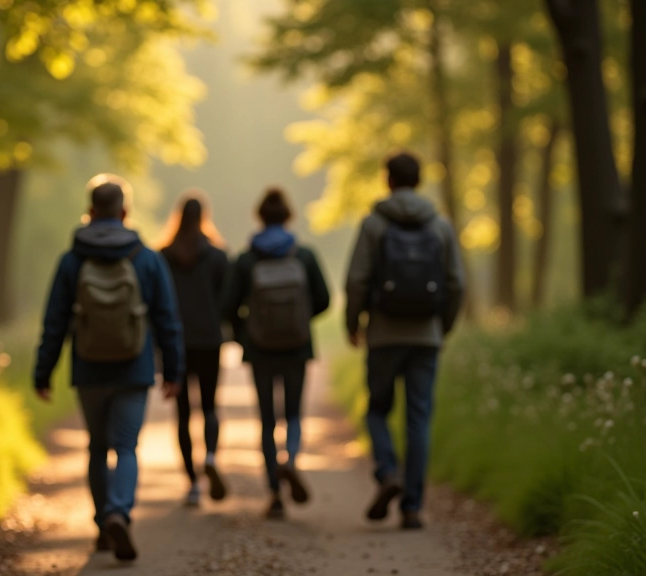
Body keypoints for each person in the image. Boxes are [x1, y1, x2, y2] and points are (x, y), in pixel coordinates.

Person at [33, 174, 184, 562]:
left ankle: (102, 525)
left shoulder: (72, 259)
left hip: (89, 368)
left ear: (90, 211)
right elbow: (167, 317)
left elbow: (55, 321)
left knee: (97, 447)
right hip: (134, 368)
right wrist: (173, 370)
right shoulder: (145, 257)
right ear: (125, 211)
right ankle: (120, 511)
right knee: (127, 446)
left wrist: (43, 371)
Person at [345, 153, 465, 530]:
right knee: (419, 418)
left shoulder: (373, 224)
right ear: (419, 180)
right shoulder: (439, 225)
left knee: (377, 409)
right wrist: (441, 327)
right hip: (425, 336)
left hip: (383, 333)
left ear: (388, 181)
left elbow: (357, 280)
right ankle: (412, 507)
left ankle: (386, 471)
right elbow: (456, 283)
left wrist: (354, 322)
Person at [224, 187, 330, 520]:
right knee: (294, 413)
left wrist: (247, 331)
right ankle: (292, 461)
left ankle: (274, 492)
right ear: (288, 216)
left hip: (260, 349)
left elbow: (227, 306)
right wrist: (299, 320)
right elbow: (324, 299)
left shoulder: (246, 258)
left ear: (260, 217)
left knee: (268, 419)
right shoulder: (304, 255)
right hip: (297, 347)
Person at [159, 191, 230, 507]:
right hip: (209, 340)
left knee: (183, 413)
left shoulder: (163, 256)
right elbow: (227, 301)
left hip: (177, 341)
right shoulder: (217, 256)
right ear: (204, 216)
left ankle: (191, 483)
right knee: (211, 406)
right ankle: (211, 456)